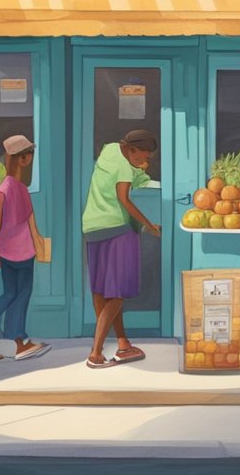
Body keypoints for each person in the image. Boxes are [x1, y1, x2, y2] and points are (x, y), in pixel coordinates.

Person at [82, 129, 161, 369]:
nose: (143, 159)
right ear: (131, 149)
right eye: (141, 155)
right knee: (116, 293)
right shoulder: (126, 167)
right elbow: (124, 199)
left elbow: (117, 180)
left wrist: (139, 170)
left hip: (93, 227)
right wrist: (149, 226)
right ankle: (95, 353)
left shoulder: (108, 151)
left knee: (100, 291)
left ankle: (123, 343)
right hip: (117, 228)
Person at [0, 135, 50, 361]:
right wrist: (39, 243)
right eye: (29, 154)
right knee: (22, 294)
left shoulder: (1, 190)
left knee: (10, 293)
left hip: (7, 251)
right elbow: (31, 222)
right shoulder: (20, 189)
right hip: (25, 251)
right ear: (23, 159)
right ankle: (16, 340)